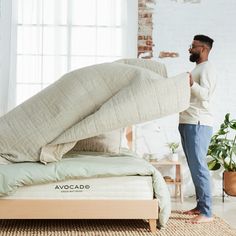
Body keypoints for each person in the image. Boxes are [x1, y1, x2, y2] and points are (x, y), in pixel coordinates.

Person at [178, 35, 217, 223]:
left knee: (199, 167)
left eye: (193, 46)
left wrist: (191, 84)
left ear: (203, 49)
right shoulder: (198, 68)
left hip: (198, 123)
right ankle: (200, 206)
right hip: (188, 121)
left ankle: (207, 212)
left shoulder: (208, 68)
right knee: (194, 167)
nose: (189, 49)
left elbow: (206, 95)